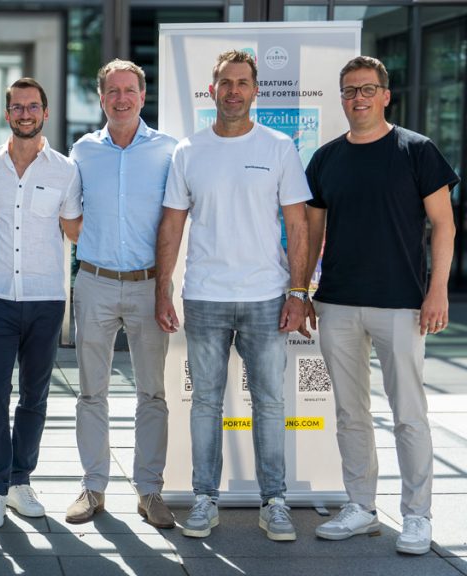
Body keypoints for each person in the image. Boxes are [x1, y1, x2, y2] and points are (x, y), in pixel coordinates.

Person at [305, 56, 458, 555]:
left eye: (368, 89)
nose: (358, 99)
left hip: (401, 303)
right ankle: (361, 508)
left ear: (385, 95)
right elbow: (310, 233)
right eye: (350, 91)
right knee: (350, 413)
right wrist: (301, 290)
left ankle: (417, 515)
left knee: (409, 413)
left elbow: (445, 225)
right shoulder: (327, 158)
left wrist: (437, 291)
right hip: (338, 304)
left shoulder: (417, 150)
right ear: (341, 97)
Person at [154, 49, 310, 541]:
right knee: (205, 402)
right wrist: (164, 287)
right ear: (212, 89)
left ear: (255, 90)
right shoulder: (189, 150)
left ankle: (275, 502)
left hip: (267, 294)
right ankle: (205, 498)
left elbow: (298, 225)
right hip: (205, 295)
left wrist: (298, 291)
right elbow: (172, 225)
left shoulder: (279, 147)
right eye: (226, 82)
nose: (234, 91)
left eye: (243, 82)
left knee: (268, 402)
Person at [65, 59, 177, 528]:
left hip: (151, 285)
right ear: (101, 97)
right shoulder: (83, 151)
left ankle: (149, 490)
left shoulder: (169, 150)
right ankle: (93, 487)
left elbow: (177, 220)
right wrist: (98, 247)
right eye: (112, 91)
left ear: (142, 95)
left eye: (129, 90)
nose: (121, 98)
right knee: (92, 392)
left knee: (152, 392)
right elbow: (70, 218)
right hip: (94, 282)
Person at [0, 78, 82, 529]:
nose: (24, 113)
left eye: (32, 106)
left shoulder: (66, 170)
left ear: (45, 113)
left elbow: (73, 231)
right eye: (17, 106)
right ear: (7, 114)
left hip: (46, 299)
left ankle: (21, 482)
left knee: (35, 396)